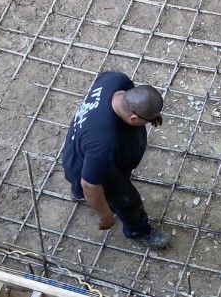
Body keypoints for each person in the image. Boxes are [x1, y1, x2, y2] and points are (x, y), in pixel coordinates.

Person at [62, 70, 170, 250]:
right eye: (146, 121)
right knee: (126, 199)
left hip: (75, 152)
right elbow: (90, 184)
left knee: (83, 177)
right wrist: (105, 215)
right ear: (133, 118)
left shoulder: (116, 80)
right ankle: (138, 230)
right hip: (86, 169)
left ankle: (78, 193)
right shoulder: (104, 145)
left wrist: (151, 114)